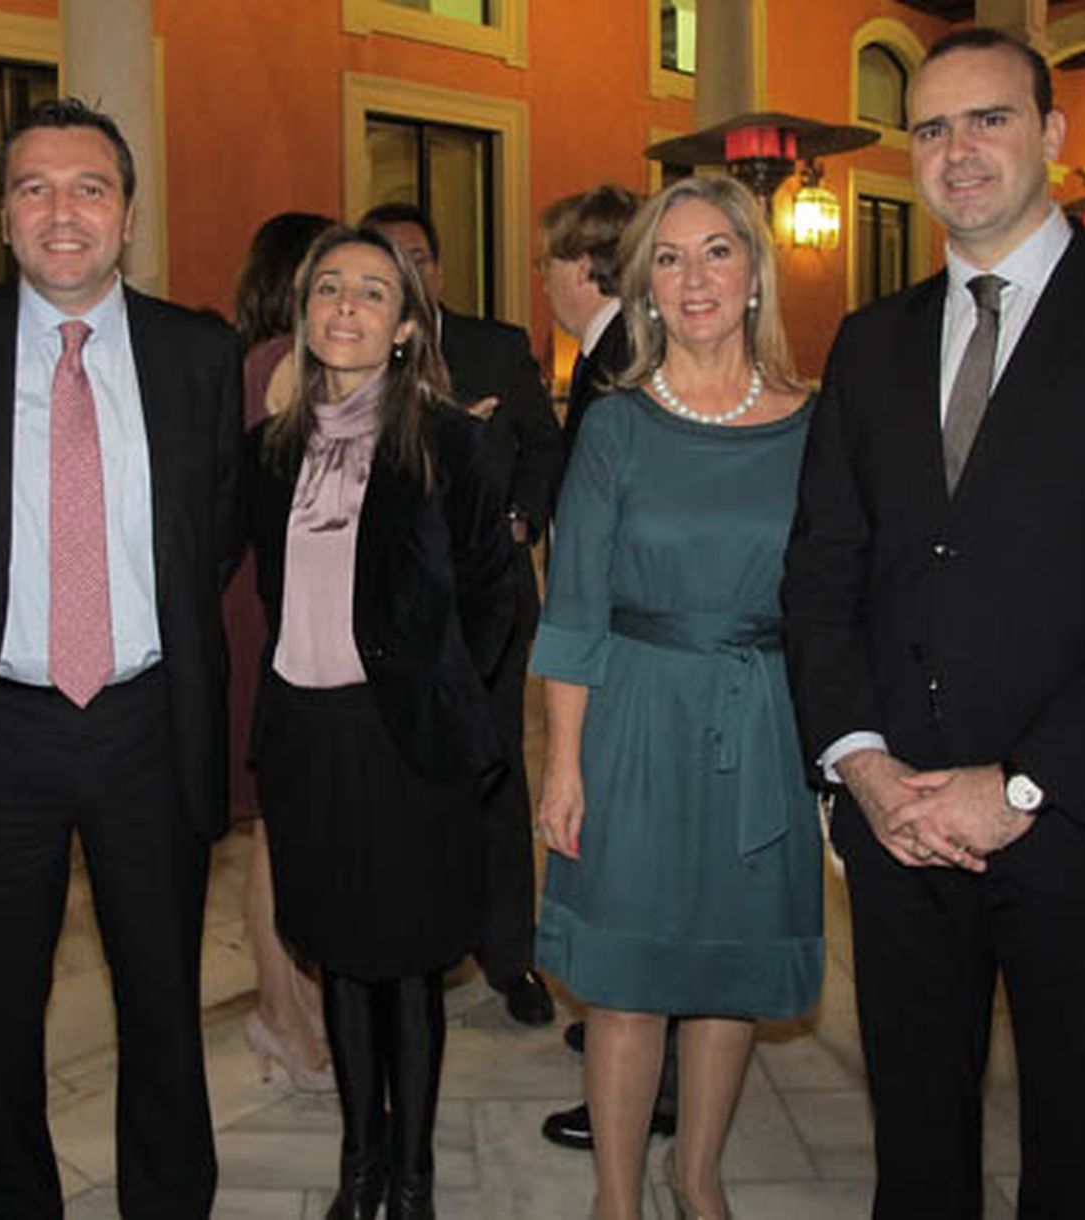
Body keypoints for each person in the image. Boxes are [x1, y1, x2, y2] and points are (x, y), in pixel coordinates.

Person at [782, 28, 1085, 1220]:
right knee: (915, 1152)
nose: (956, 151)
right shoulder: (871, 342)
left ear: (1053, 137)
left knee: (1084, 1154)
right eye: (929, 128)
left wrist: (1018, 784)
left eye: (988, 120)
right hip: (900, 825)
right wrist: (858, 766)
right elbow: (821, 572)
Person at [0, 98, 241, 1218]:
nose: (62, 211)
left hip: (147, 716)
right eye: (34, 187)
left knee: (160, 997)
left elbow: (214, 530)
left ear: (127, 214)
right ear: (1, 214)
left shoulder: (199, 353)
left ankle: (168, 1199)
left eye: (89, 187)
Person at [535, 176, 822, 1220]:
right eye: (668, 257)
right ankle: (616, 1195)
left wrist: (844, 763)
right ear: (644, 287)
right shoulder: (615, 428)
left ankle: (695, 1176)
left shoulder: (816, 425)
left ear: (753, 274)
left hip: (765, 727)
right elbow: (572, 606)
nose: (692, 277)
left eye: (716, 252)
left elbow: (841, 604)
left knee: (730, 972)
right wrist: (563, 764)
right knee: (625, 977)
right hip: (632, 724)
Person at [245, 225, 514, 1219]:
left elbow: (495, 596)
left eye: (370, 292)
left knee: (406, 962)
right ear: (305, 313)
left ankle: (414, 1175)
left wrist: (454, 709)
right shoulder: (268, 451)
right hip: (307, 738)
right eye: (327, 289)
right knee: (343, 954)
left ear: (405, 326)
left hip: (406, 739)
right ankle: (360, 1164)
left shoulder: (449, 441)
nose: (345, 307)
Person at [361, 201, 563, 1027]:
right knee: (403, 774)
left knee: (496, 768)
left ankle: (509, 952)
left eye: (414, 255)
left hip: (494, 598)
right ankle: (419, 945)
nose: (404, 271)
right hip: (397, 606)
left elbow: (547, 447)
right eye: (385, 259)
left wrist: (516, 516)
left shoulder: (497, 346)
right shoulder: (359, 355)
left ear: (437, 268)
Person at [534, 181, 681, 1154]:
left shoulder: (624, 363)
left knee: (638, 874)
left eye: (545, 258)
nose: (538, 279)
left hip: (640, 660)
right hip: (623, 648)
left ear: (586, 266)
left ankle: (647, 1080)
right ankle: (631, 1049)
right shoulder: (603, 359)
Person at [231, 210, 336, 1090]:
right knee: (279, 829)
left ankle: (294, 1004)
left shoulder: (256, 358)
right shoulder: (283, 368)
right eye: (325, 276)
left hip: (266, 610)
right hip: (271, 618)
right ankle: (278, 1012)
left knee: (288, 827)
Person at [541, 183, 640, 458]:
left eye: (546, 265)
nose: (544, 285)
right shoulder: (616, 341)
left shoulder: (624, 356)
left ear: (583, 269)